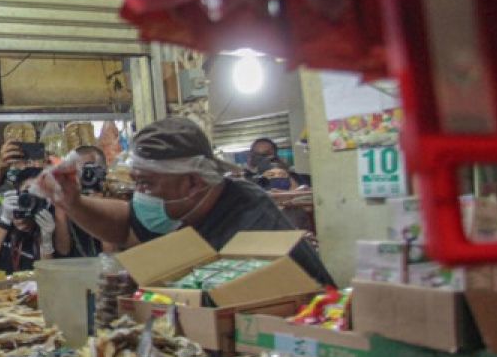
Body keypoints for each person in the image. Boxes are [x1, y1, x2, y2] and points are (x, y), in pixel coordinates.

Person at [46, 116, 334, 286]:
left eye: (147, 184)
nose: (140, 195)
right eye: (137, 182)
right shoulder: (187, 206)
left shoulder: (251, 226)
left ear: (194, 182)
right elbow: (123, 224)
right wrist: (74, 203)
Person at [0, 167, 58, 274]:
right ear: (17, 192)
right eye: (28, 191)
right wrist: (4, 221)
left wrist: (47, 241)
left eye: (38, 193)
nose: (32, 197)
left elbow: (47, 277)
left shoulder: (45, 224)